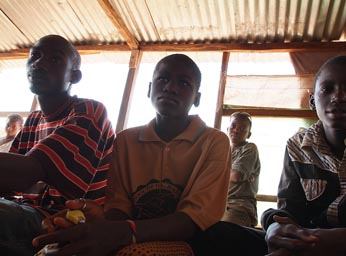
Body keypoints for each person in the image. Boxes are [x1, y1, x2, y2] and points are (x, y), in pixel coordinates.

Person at [33, 54, 232, 256]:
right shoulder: (126, 141)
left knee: (134, 254)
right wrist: (91, 221)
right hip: (127, 235)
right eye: (162, 79)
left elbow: (193, 220)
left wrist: (125, 232)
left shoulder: (214, 142)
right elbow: (119, 209)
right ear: (149, 89)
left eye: (184, 83)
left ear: (196, 98)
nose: (171, 88)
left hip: (191, 242)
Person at [0, 34, 114, 255]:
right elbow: (9, 181)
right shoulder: (33, 120)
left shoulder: (89, 112)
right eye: (35, 56)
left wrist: (22, 179)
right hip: (26, 213)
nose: (39, 63)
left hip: (64, 222)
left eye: (55, 59)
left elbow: (28, 172)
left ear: (75, 75)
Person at [261, 55, 346, 256]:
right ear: (312, 101)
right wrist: (273, 224)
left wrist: (334, 241)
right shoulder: (297, 146)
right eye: (327, 89)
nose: (339, 97)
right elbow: (290, 214)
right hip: (311, 244)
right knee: (222, 233)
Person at [222, 111, 261, 227]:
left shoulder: (249, 148)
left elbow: (235, 176)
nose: (236, 130)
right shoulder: (223, 151)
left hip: (238, 206)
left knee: (224, 232)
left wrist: (216, 172)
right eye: (233, 126)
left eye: (242, 128)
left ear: (249, 134)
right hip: (219, 204)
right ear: (227, 129)